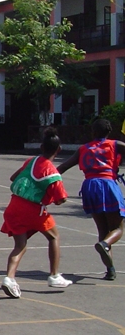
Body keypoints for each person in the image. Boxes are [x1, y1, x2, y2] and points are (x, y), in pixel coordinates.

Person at [0, 128, 72, 298]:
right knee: (53, 236)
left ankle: (9, 278)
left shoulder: (31, 161)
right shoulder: (53, 174)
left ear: (41, 147)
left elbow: (13, 178)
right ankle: (54, 275)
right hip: (34, 210)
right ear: (59, 150)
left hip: (14, 205)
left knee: (20, 246)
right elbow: (61, 200)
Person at [58, 118, 125, 281]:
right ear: (109, 132)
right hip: (107, 184)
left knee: (102, 228)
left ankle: (110, 269)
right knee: (118, 227)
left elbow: (63, 167)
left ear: (93, 132)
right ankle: (105, 245)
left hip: (89, 186)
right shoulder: (115, 144)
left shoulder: (83, 148)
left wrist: (43, 179)